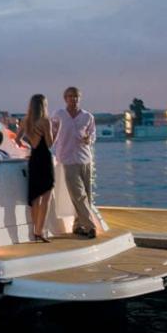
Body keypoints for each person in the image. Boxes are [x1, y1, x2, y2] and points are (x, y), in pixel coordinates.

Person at [52, 86, 97, 239]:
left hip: (85, 158)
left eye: (76, 96)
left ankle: (77, 226)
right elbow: (51, 134)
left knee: (87, 195)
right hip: (67, 159)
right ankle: (90, 226)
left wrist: (89, 139)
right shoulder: (59, 115)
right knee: (78, 194)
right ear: (65, 98)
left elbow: (93, 135)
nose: (74, 99)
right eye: (70, 96)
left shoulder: (88, 116)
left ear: (79, 98)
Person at [16, 94, 54, 243]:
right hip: (44, 159)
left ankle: (34, 232)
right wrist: (57, 131)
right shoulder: (45, 121)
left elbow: (17, 139)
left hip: (34, 159)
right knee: (46, 197)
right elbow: (50, 144)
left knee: (35, 196)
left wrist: (28, 147)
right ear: (44, 105)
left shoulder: (25, 121)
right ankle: (40, 231)